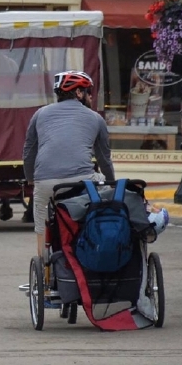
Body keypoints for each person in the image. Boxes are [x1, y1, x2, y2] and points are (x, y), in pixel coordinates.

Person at [23, 70, 115, 257]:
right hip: (83, 180)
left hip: (45, 181)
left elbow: (29, 152)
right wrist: (111, 183)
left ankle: (43, 265)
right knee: (101, 198)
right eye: (89, 92)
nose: (91, 96)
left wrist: (31, 179)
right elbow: (104, 159)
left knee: (41, 220)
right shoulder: (96, 118)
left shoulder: (39, 114)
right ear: (79, 93)